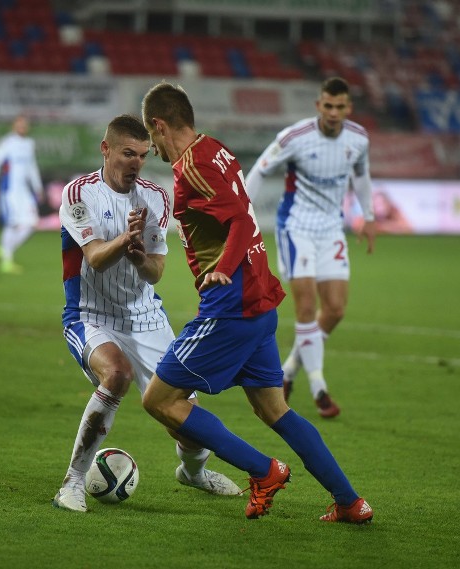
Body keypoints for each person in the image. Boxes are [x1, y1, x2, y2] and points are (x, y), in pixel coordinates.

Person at [139, 82, 373, 523]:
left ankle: (264, 471)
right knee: (273, 408)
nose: (153, 148)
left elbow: (243, 226)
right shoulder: (215, 150)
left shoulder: (192, 166)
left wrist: (224, 266)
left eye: (152, 138)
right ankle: (350, 502)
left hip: (231, 305)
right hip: (259, 302)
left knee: (159, 400)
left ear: (160, 124)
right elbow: (243, 214)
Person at [53, 115, 240, 513]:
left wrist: (139, 256)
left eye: (142, 154)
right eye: (127, 153)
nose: (136, 162)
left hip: (147, 319)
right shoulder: (79, 193)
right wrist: (125, 239)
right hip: (90, 316)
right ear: (106, 150)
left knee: (184, 417)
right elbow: (95, 259)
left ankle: (193, 472)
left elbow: (156, 270)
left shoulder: (156, 197)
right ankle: (72, 482)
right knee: (116, 375)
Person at [244, 77, 377, 418]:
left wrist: (370, 215)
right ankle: (320, 388)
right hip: (296, 228)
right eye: (328, 106)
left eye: (340, 106)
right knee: (306, 307)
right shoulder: (295, 137)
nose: (333, 113)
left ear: (348, 108)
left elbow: (361, 176)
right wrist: (242, 216)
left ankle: (288, 371)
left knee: (334, 310)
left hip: (331, 228)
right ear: (318, 106)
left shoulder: (358, 139)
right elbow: (259, 171)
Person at [0, 115, 42, 275]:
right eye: (19, 125)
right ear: (13, 126)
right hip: (9, 191)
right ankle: (6, 261)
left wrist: (37, 187)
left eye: (24, 125)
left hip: (24, 192)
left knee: (32, 224)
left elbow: (32, 167)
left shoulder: (29, 144)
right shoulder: (7, 143)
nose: (22, 127)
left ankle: (5, 249)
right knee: (12, 224)